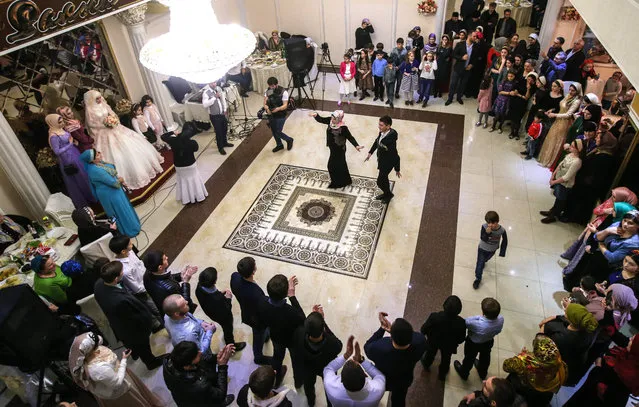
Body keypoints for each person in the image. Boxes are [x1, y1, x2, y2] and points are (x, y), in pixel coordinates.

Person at [83, 90, 164, 190]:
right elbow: (91, 124)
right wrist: (104, 125)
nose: (100, 99)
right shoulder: (90, 110)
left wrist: (114, 120)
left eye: (100, 97)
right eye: (97, 98)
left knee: (130, 145)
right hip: (104, 133)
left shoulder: (104, 105)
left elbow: (113, 114)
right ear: (92, 100)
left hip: (115, 128)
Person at [93, 261, 165, 370]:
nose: (123, 273)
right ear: (116, 279)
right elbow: (134, 317)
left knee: (140, 347)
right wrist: (146, 323)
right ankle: (152, 363)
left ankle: (140, 354)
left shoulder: (99, 284)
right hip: (133, 329)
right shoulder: (118, 300)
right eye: (122, 272)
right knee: (143, 347)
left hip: (119, 323)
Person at [68, 332, 162, 407]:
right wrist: (124, 360)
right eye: (96, 345)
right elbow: (117, 383)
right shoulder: (97, 369)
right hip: (121, 393)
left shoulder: (95, 353)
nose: (99, 344)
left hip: (121, 377)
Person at [364, 313, 425, 407]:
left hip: (383, 380)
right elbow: (416, 336)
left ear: (391, 337)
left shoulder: (379, 348)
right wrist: (396, 333)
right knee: (399, 400)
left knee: (375, 396)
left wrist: (382, 329)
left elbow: (367, 346)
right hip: (404, 380)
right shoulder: (420, 341)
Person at [79, 149, 140, 237]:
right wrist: (120, 180)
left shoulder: (98, 164)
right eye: (97, 155)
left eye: (98, 153)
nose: (100, 154)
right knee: (120, 211)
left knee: (122, 208)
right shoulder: (95, 170)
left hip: (113, 191)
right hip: (109, 193)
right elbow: (114, 183)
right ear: (91, 160)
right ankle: (127, 230)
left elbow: (111, 170)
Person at [565, 334, 639, 407]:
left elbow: (606, 390)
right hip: (588, 392)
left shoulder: (629, 375)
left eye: (633, 340)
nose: (630, 339)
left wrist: (598, 364)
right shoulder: (626, 355)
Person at [258, 274, 306, 387]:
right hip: (292, 341)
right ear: (286, 294)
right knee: (296, 361)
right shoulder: (291, 312)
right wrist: (292, 296)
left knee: (277, 357)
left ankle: (276, 378)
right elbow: (303, 320)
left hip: (276, 337)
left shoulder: (262, 303)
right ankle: (298, 382)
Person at [109, 235, 163, 331]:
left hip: (149, 280)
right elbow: (137, 289)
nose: (132, 244)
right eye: (130, 244)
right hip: (144, 292)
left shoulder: (130, 252)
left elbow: (140, 264)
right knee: (156, 310)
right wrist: (151, 284)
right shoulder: (124, 270)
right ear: (123, 251)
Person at [293, 308, 342, 406]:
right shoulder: (332, 343)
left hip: (308, 368)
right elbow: (339, 345)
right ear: (323, 328)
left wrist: (314, 321)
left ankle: (311, 402)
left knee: (308, 386)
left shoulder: (299, 334)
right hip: (327, 369)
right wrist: (323, 322)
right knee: (329, 389)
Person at [539, 303, 598, 385]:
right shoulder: (590, 330)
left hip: (558, 369)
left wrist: (542, 328)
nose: (564, 311)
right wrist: (556, 317)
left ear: (571, 320)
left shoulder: (561, 338)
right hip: (574, 367)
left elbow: (541, 345)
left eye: (566, 312)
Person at [163, 341, 235, 407]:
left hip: (185, 398)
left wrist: (217, 357)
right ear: (187, 366)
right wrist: (222, 366)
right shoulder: (200, 385)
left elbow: (202, 361)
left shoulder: (171, 362)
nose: (200, 352)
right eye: (196, 354)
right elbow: (220, 396)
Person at [502, 334, 567, 406]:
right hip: (541, 399)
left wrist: (522, 356)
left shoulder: (523, 363)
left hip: (520, 391)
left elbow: (505, 366)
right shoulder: (562, 368)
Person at [46, 114, 95, 208]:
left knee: (85, 173)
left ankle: (92, 194)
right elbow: (57, 151)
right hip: (68, 158)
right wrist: (70, 144)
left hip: (74, 153)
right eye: (59, 122)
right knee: (80, 176)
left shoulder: (61, 129)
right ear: (52, 123)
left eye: (61, 120)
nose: (62, 123)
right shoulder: (53, 136)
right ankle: (88, 197)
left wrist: (73, 144)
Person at [323, 335, 385, 407]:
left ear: (341, 380)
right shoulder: (377, 390)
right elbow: (379, 376)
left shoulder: (331, 387)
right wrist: (361, 360)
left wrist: (346, 355)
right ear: (365, 375)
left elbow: (329, 368)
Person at [231, 257, 271, 365]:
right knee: (258, 335)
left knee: (264, 332)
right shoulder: (256, 294)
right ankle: (258, 357)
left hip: (246, 311)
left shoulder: (234, 277)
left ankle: (267, 336)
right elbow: (264, 305)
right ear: (254, 271)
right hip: (256, 319)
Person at [195, 267, 247, 351]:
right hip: (222, 316)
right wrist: (228, 298)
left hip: (210, 311)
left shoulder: (199, 286)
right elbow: (227, 309)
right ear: (214, 282)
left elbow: (212, 297)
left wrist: (220, 294)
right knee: (228, 329)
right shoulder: (217, 299)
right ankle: (231, 345)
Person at [309, 110, 364, 189]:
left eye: (334, 118)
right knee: (342, 164)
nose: (332, 119)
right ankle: (347, 180)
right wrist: (316, 115)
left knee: (331, 166)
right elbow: (321, 119)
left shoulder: (343, 128)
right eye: (332, 117)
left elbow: (350, 137)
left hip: (339, 150)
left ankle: (336, 183)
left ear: (339, 119)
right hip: (333, 147)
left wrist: (356, 145)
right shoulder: (330, 121)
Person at [454, 298, 504, 380]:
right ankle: (482, 372)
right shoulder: (501, 319)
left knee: (469, 358)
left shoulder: (476, 324)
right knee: (485, 356)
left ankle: (464, 372)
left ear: (483, 312)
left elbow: (466, 322)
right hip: (488, 341)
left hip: (473, 343)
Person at [420, 295, 466, 380]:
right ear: (459, 310)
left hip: (433, 341)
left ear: (444, 305)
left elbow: (424, 329)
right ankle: (442, 373)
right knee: (446, 358)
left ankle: (426, 364)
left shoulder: (434, 317)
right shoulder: (461, 323)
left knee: (430, 353)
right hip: (449, 345)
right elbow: (461, 338)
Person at [162, 122, 208, 204]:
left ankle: (186, 198)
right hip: (190, 165)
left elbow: (163, 136)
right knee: (194, 179)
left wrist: (173, 132)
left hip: (179, 166)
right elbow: (196, 149)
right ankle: (198, 195)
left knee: (183, 180)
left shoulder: (173, 140)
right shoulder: (192, 142)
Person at [538, 82, 583, 167]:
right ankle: (545, 158)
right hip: (558, 119)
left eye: (573, 91)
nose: (570, 92)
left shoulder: (576, 101)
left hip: (564, 122)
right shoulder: (568, 96)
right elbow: (561, 106)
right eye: (569, 89)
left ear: (577, 92)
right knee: (551, 138)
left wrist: (555, 115)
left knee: (557, 140)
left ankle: (550, 161)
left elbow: (568, 114)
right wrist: (553, 110)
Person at [540, 139, 584, 224]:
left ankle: (554, 215)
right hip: (559, 180)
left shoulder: (577, 161)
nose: (570, 147)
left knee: (560, 200)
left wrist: (554, 181)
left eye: (572, 146)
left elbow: (567, 177)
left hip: (565, 184)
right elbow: (560, 164)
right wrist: (553, 175)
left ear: (578, 149)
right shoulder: (570, 155)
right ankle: (552, 211)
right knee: (557, 198)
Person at [365, 115, 401, 204]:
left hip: (387, 164)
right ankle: (386, 193)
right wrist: (370, 152)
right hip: (381, 161)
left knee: (380, 181)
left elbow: (395, 155)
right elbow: (377, 141)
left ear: (388, 126)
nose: (379, 127)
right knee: (383, 180)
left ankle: (388, 194)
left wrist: (397, 169)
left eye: (381, 125)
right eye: (379, 124)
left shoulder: (391, 141)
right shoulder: (382, 132)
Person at [473, 211, 508, 289]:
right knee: (479, 264)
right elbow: (483, 238)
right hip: (482, 249)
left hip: (492, 250)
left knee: (486, 259)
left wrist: (502, 252)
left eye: (493, 223)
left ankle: (484, 261)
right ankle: (478, 278)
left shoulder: (502, 230)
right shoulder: (484, 227)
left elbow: (505, 241)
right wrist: (487, 233)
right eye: (489, 223)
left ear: (497, 221)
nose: (490, 225)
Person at [202, 80, 234, 155]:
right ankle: (220, 147)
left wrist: (225, 109)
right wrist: (214, 97)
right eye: (212, 82)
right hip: (214, 116)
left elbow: (223, 99)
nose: (214, 84)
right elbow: (205, 105)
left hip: (222, 113)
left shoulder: (218, 89)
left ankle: (225, 142)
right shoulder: (206, 93)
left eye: (215, 82)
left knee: (225, 128)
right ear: (209, 83)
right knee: (218, 132)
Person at [446, 31, 478, 106]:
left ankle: (459, 98)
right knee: (453, 84)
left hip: (467, 69)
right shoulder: (460, 44)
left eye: (476, 36)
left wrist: (471, 65)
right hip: (458, 68)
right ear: (469, 36)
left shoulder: (475, 46)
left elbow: (475, 58)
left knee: (462, 84)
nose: (475, 38)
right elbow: (453, 54)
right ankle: (450, 98)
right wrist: (461, 58)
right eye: (474, 36)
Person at [264, 77, 293, 153]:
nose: (271, 87)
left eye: (273, 86)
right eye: (270, 86)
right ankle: (279, 145)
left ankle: (289, 139)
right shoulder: (268, 91)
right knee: (273, 131)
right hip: (271, 114)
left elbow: (285, 105)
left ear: (276, 84)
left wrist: (278, 109)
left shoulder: (283, 92)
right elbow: (265, 103)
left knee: (278, 131)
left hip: (280, 114)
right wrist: (267, 109)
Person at [434, 34, 452, 98]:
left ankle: (440, 91)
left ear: (448, 40)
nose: (444, 41)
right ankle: (435, 91)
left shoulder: (449, 48)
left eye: (446, 40)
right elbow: (436, 55)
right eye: (443, 39)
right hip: (438, 64)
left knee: (442, 79)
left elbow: (448, 56)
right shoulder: (439, 47)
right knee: (437, 78)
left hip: (444, 65)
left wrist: (444, 47)